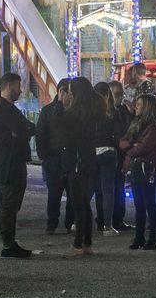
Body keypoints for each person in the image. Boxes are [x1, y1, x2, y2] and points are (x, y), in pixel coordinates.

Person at [52, 77, 99, 258]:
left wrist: (59, 104)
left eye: (70, 92)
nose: (67, 96)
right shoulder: (90, 112)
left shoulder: (76, 114)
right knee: (84, 204)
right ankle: (86, 243)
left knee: (78, 204)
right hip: (86, 160)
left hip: (77, 162)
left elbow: (59, 128)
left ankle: (78, 244)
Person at [0, 73, 35, 259]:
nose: (20, 90)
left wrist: (23, 131)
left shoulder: (6, 108)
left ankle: (10, 242)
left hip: (12, 160)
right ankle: (8, 244)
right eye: (17, 86)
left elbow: (28, 128)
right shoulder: (3, 109)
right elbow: (25, 129)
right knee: (9, 204)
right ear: (8, 86)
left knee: (12, 203)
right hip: (9, 161)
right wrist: (23, 131)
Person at [119, 93, 156, 250]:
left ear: (146, 107)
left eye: (139, 105)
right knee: (139, 204)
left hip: (148, 168)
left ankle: (153, 238)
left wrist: (132, 148)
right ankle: (138, 237)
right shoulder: (136, 124)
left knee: (149, 203)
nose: (135, 107)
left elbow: (144, 146)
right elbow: (123, 142)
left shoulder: (155, 126)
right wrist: (133, 145)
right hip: (137, 167)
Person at [33, 78, 72, 234]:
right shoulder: (49, 111)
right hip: (54, 157)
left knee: (71, 193)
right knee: (54, 193)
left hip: (67, 157)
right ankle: (52, 223)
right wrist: (44, 155)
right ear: (62, 92)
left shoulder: (71, 110)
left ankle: (69, 223)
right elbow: (40, 133)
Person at [92, 82, 122, 235]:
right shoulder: (114, 112)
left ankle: (98, 221)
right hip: (109, 151)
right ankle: (107, 226)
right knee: (108, 190)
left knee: (96, 190)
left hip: (92, 152)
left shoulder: (89, 112)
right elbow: (118, 135)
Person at [108, 80, 133, 232]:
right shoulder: (106, 111)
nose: (119, 98)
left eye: (121, 94)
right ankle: (107, 218)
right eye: (116, 95)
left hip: (121, 153)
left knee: (119, 188)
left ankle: (118, 218)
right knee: (108, 188)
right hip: (111, 152)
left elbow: (128, 128)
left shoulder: (123, 110)